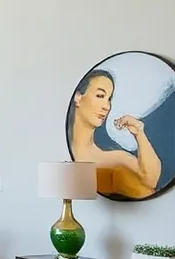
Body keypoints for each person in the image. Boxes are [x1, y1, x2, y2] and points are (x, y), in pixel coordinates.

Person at [68, 69, 161, 199]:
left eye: (109, 99)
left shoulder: (114, 157)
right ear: (78, 98)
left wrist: (139, 133)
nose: (106, 106)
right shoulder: (65, 152)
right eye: (100, 96)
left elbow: (151, 180)